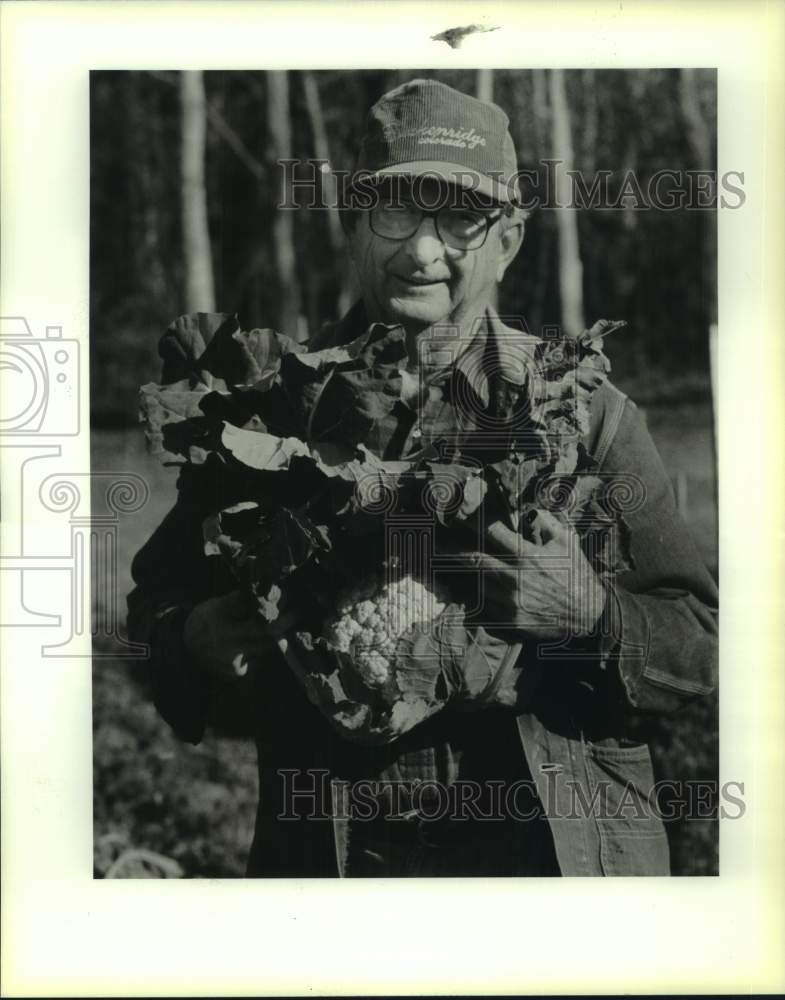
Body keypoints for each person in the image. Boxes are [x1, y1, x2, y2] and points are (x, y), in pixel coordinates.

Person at [127, 78, 718, 877]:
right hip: (336, 870)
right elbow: (148, 619)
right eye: (394, 209)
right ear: (353, 225)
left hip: (555, 859)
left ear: (507, 239)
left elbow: (698, 646)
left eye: (459, 216)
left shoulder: (583, 417)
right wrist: (190, 643)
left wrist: (590, 613)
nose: (420, 250)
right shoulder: (265, 416)